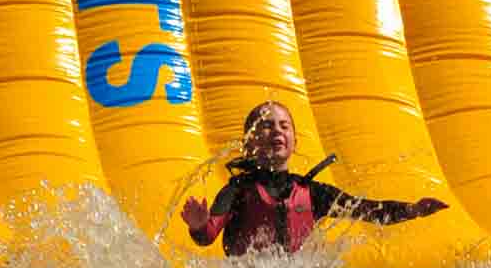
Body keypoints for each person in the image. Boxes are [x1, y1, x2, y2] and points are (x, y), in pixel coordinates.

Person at [181, 101, 449, 256]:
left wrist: (412, 210)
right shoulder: (237, 190)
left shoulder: (313, 193)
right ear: (250, 144)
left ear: (294, 142)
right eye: (267, 126)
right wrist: (199, 225)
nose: (277, 131)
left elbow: (368, 210)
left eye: (284, 126)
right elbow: (206, 237)